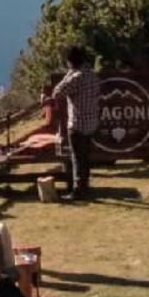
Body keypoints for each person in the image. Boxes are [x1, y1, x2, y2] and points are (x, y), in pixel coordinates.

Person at [50, 46, 101, 202]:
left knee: (77, 159)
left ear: (71, 62)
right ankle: (85, 187)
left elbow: (57, 92)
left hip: (78, 123)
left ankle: (78, 191)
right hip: (92, 122)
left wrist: (68, 73)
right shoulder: (92, 75)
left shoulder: (75, 77)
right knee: (85, 158)